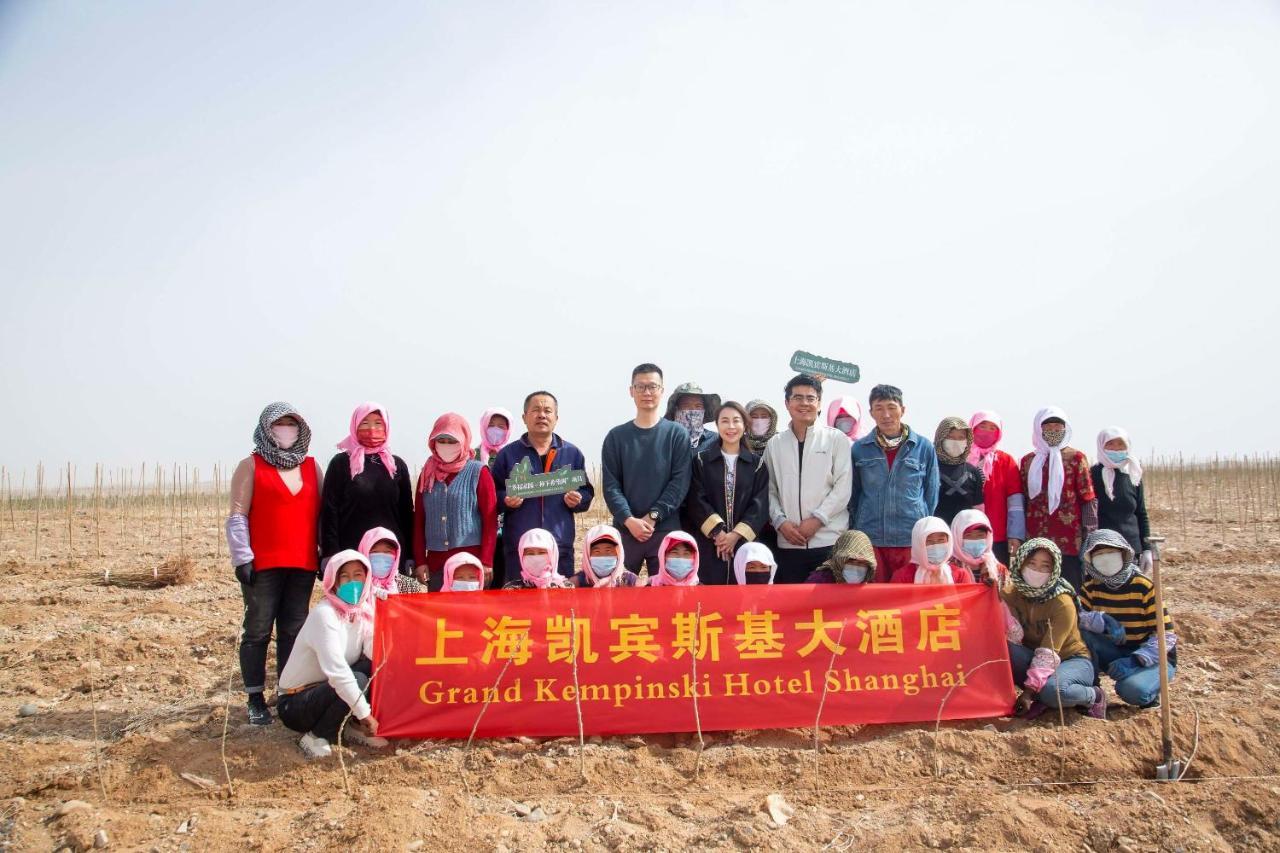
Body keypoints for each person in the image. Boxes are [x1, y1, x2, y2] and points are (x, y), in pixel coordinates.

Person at [226, 402, 324, 726]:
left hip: (302, 563)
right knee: (257, 629)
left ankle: (286, 691)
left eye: (291, 423)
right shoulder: (251, 466)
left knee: (293, 631)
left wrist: (323, 555)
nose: (285, 429)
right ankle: (255, 698)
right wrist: (242, 557)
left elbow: (321, 515)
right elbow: (238, 515)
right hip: (263, 564)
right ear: (267, 429)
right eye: (279, 424)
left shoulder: (312, 467)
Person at [277, 550, 387, 759]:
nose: (352, 582)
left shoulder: (362, 611)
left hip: (326, 688)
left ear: (367, 578)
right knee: (355, 678)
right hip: (296, 701)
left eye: (358, 575)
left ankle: (353, 728)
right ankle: (318, 735)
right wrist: (365, 714)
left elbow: (374, 654)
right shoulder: (324, 615)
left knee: (371, 668)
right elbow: (337, 672)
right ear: (333, 582)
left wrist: (380, 612)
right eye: (344, 576)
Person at [491, 391, 594, 583]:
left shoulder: (572, 453)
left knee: (558, 605)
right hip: (520, 549)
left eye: (547, 410)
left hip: (559, 546)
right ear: (524, 417)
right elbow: (491, 496)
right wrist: (505, 500)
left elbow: (586, 492)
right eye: (536, 410)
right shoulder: (507, 455)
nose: (542, 415)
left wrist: (578, 500)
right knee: (519, 606)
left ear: (556, 417)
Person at [601, 364, 693, 575]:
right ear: (631, 391)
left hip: (665, 530)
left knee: (665, 599)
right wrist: (628, 519)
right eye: (640, 387)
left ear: (662, 390)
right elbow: (611, 486)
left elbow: (680, 483)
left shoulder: (676, 435)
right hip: (626, 530)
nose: (647, 392)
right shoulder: (616, 437)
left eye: (652, 386)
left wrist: (653, 515)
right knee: (618, 596)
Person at [1003, 538, 1106, 719]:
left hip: (1070, 659)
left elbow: (1048, 653)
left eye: (1045, 566)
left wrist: (1028, 693)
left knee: (1054, 692)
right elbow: (995, 609)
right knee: (1005, 649)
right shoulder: (1012, 593)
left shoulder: (1062, 603)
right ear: (1020, 563)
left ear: (1054, 569)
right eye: (1032, 564)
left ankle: (1094, 696)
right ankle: (1040, 695)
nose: (1037, 571)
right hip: (1033, 656)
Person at [764, 374, 852, 583]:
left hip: (829, 540)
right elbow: (768, 489)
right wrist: (780, 522)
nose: (804, 403)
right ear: (787, 403)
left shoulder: (836, 439)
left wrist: (817, 519)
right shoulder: (775, 444)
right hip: (788, 542)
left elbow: (843, 486)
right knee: (793, 609)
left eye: (810, 398)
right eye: (797, 397)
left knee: (829, 609)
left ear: (819, 403)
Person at [849, 384, 939, 582]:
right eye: (879, 408)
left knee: (908, 597)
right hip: (870, 538)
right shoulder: (859, 449)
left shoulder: (923, 447)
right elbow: (853, 495)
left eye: (891, 407)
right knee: (874, 599)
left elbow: (931, 495)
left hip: (910, 537)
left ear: (903, 410)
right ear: (871, 412)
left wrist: (919, 521)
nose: (886, 415)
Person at [1078, 529, 1177, 708]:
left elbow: (1166, 636)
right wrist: (1102, 621)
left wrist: (1136, 659)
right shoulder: (1091, 586)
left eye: (1111, 553)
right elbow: (1079, 617)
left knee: (1131, 690)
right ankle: (1093, 691)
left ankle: (1149, 689)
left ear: (1124, 554)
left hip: (1153, 657)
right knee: (1082, 634)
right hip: (1115, 651)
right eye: (1099, 554)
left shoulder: (1143, 587)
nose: (1106, 559)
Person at [684, 401, 771, 585]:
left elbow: (760, 505)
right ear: (717, 425)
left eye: (736, 421)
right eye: (725, 421)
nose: (731, 427)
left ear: (745, 425)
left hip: (744, 544)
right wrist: (719, 534)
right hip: (711, 543)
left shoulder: (757, 465)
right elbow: (696, 499)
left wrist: (735, 536)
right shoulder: (701, 460)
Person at [320, 403, 415, 570]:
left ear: (386, 427)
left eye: (378, 423)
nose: (372, 428)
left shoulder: (396, 465)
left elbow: (406, 514)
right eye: (364, 423)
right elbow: (330, 510)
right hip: (350, 554)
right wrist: (330, 552)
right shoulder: (341, 463)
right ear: (355, 426)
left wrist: (409, 555)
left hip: (390, 555)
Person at [412, 413, 498, 591]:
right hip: (436, 564)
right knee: (439, 616)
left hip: (470, 564)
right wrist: (421, 561)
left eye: (452, 441)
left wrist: (486, 561)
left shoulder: (478, 472)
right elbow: (419, 520)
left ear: (463, 441)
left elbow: (490, 520)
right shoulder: (428, 473)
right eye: (441, 440)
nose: (446, 446)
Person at [1020, 407, 1098, 592]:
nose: (1053, 431)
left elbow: (1087, 498)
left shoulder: (1076, 458)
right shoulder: (1028, 461)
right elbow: (1023, 499)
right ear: (1039, 430)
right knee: (1038, 584)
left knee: (1070, 589)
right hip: (1036, 535)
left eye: (1058, 427)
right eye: (1048, 427)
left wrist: (1090, 533)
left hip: (1070, 538)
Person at [967, 411, 1026, 566]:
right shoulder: (960, 458)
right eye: (982, 426)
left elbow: (1015, 502)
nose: (986, 431)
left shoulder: (1006, 461)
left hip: (997, 536)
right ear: (972, 428)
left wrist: (1015, 535)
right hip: (965, 535)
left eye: (992, 428)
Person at [1091, 427, 1153, 573]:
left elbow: (1141, 513)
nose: (1116, 449)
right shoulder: (1092, 475)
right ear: (1101, 446)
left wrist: (1147, 549)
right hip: (1102, 550)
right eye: (1110, 444)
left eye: (1120, 445)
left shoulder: (1132, 474)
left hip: (1132, 549)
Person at [475, 406, 514, 585]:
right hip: (478, 532)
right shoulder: (471, 456)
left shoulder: (515, 457)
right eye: (491, 425)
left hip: (508, 531)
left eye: (501, 426)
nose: (496, 430)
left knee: (503, 579)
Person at [933, 417, 985, 525]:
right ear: (940, 438)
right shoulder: (929, 468)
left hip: (965, 534)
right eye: (950, 437)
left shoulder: (973, 472)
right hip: (937, 535)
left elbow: (978, 509)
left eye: (961, 437)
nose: (956, 442)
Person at [744, 398, 781, 552]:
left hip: (778, 522)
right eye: (754, 416)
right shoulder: (738, 444)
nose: (759, 421)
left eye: (764, 416)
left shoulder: (781, 443)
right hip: (746, 520)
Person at [890, 517, 975, 583]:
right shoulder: (902, 577)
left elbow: (970, 604)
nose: (936, 546)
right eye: (929, 541)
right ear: (918, 544)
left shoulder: (960, 575)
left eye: (941, 541)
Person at [358, 527, 426, 603]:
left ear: (396, 556)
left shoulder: (412, 587)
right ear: (364, 552)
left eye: (387, 552)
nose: (381, 557)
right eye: (375, 552)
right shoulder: (355, 589)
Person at [571, 524, 644, 588]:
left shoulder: (628, 580)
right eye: (597, 552)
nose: (603, 556)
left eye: (608, 551)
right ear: (587, 555)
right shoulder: (580, 581)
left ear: (618, 553)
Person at [948, 509, 1005, 586]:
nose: (975, 540)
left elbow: (1011, 595)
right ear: (957, 537)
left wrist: (997, 585)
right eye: (968, 536)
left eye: (980, 535)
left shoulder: (997, 569)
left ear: (988, 537)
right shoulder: (948, 571)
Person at [503, 528, 573, 589]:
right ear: (521, 556)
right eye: (530, 553)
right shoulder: (512, 589)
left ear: (553, 555)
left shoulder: (565, 587)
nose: (536, 558)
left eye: (542, 552)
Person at [806, 529, 877, 584]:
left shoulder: (871, 587)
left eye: (861, 563)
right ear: (839, 559)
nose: (855, 567)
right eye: (850, 561)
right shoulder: (819, 580)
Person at [664, 381, 721, 449]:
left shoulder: (715, 441)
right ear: (676, 410)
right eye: (686, 405)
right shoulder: (664, 440)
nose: (693, 410)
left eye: (698, 406)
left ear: (704, 410)